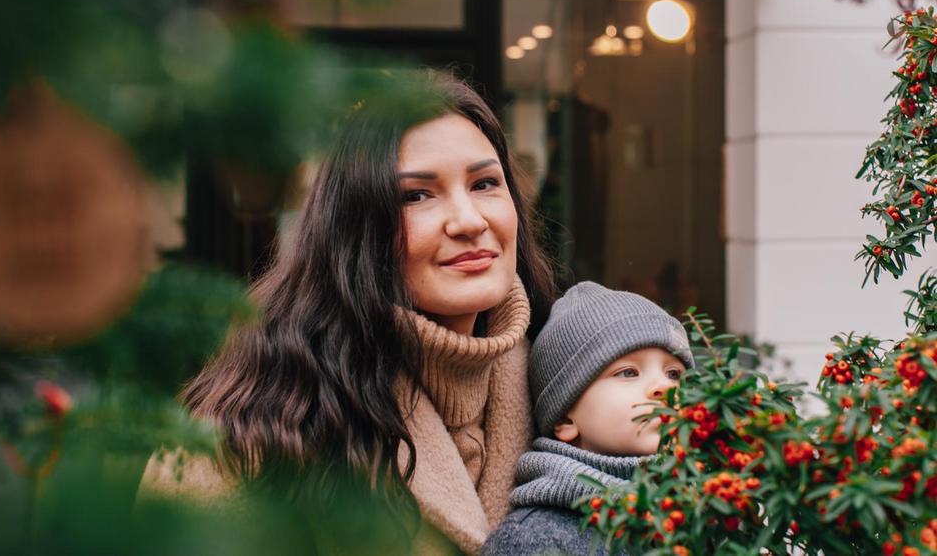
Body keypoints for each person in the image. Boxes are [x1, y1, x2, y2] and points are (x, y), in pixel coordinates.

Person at [138, 70, 557, 556]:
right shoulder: (261, 423)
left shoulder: (569, 389)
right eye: (416, 195)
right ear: (356, 229)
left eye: (485, 183)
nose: (468, 220)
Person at [482, 282, 694, 556]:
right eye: (628, 372)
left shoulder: (708, 513)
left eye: (674, 374)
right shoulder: (534, 538)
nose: (664, 388)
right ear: (566, 419)